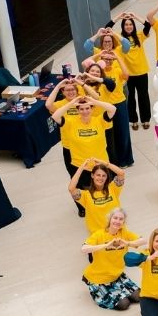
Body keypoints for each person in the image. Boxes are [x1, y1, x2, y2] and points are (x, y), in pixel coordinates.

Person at [52, 96, 116, 220]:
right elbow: (55, 116)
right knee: (83, 191)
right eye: (81, 109)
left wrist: (94, 102)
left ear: (92, 109)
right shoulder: (70, 123)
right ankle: (84, 209)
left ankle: (106, 208)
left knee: (104, 188)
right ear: (77, 110)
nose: (85, 111)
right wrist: (72, 103)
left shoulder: (99, 120)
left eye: (88, 108)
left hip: (100, 165)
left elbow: (112, 109)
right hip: (81, 166)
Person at [46, 78, 100, 216]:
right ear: (63, 92)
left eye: (73, 89)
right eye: (67, 89)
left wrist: (81, 83)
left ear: (77, 90)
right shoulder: (61, 105)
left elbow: (96, 97)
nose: (70, 91)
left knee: (92, 177)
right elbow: (48, 105)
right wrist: (58, 85)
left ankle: (95, 201)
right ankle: (81, 206)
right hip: (69, 148)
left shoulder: (83, 102)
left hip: (88, 147)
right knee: (75, 178)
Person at [80, 207, 145, 310]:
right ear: (110, 219)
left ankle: (119, 289)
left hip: (117, 275)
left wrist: (128, 243)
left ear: (124, 222)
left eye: (121, 219)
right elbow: (84, 249)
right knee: (124, 304)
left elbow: (143, 240)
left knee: (139, 297)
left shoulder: (124, 233)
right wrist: (105, 245)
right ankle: (95, 291)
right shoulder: (99, 234)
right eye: (115, 218)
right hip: (99, 278)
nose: (117, 221)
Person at [106, 12, 152, 131]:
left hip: (141, 72)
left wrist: (135, 16)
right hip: (127, 75)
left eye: (130, 24)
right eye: (126, 24)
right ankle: (133, 120)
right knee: (130, 98)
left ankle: (145, 119)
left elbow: (148, 26)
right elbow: (107, 28)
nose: (128, 26)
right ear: (123, 26)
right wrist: (118, 17)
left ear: (133, 25)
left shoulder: (140, 36)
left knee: (143, 96)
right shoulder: (119, 39)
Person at [98, 50, 133, 168]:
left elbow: (126, 75)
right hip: (105, 106)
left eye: (110, 59)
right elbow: (85, 65)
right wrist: (99, 55)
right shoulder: (98, 73)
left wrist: (117, 57)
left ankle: (125, 160)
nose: (108, 61)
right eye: (105, 59)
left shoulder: (117, 70)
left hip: (119, 104)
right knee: (110, 135)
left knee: (123, 132)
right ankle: (113, 161)